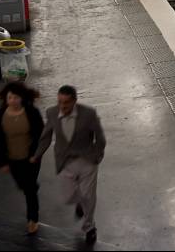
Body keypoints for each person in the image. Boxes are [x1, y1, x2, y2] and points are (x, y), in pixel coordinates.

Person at [31, 85, 106, 244]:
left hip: (87, 161)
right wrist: (37, 155)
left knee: (88, 196)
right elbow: (46, 137)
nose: (62, 106)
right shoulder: (52, 113)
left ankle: (89, 227)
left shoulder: (89, 114)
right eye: (59, 102)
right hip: (65, 161)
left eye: (66, 103)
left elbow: (100, 137)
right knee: (68, 197)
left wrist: (97, 156)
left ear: (74, 101)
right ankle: (80, 203)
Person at [0, 82, 44, 234]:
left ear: (22, 98)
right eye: (10, 97)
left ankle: (32, 219)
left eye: (16, 97)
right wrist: (2, 161)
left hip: (31, 158)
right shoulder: (1, 115)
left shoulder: (31, 112)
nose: (12, 101)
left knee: (29, 189)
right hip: (12, 158)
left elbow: (40, 133)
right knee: (23, 184)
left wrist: (35, 154)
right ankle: (31, 187)